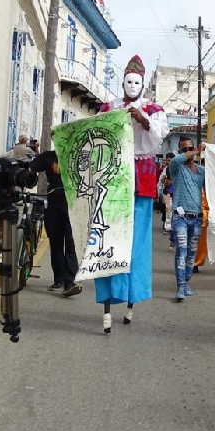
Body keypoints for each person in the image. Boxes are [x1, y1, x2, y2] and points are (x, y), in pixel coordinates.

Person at [94, 55, 168, 333]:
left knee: (136, 244)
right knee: (110, 238)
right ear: (123, 81)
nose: (132, 85)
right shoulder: (108, 106)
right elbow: (96, 132)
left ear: (143, 82)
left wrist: (143, 119)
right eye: (129, 80)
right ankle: (108, 299)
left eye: (137, 80)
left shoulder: (153, 109)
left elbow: (159, 135)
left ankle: (131, 298)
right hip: (114, 177)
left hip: (142, 179)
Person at [29, 150, 82, 297]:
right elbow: (32, 166)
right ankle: (59, 279)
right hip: (54, 202)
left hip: (73, 203)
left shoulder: (77, 153)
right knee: (56, 242)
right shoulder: (48, 156)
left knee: (70, 243)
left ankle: (69, 282)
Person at [169, 138, 206, 301]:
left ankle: (186, 282)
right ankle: (181, 287)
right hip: (180, 218)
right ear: (180, 152)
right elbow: (177, 159)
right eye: (184, 149)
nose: (188, 151)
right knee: (182, 252)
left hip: (196, 219)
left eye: (190, 148)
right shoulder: (176, 167)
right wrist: (196, 151)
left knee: (191, 256)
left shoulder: (201, 171)